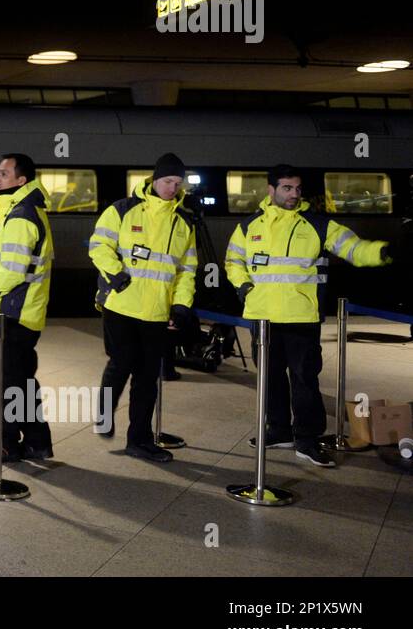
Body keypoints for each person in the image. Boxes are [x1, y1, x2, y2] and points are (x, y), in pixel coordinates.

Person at [225, 164, 395, 467]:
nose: (294, 194)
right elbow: (233, 261)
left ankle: (307, 439)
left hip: (301, 318)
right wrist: (243, 286)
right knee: (270, 379)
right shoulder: (249, 227)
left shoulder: (317, 224)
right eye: (287, 188)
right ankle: (278, 431)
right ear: (271, 190)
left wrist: (379, 252)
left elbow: (352, 248)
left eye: (298, 189)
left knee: (305, 380)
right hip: (262, 318)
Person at [88, 153, 198, 462]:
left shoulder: (183, 223)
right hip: (120, 304)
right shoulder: (123, 210)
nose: (171, 189)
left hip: (156, 312)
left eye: (177, 183)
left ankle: (139, 440)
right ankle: (104, 411)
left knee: (148, 378)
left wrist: (180, 306)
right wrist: (116, 273)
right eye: (167, 182)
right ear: (154, 179)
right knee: (121, 362)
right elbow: (98, 245)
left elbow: (186, 271)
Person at [0, 153, 55, 465]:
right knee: (22, 381)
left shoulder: (20, 216)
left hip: (11, 310)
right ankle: (37, 442)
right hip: (25, 311)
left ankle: (5, 445)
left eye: (4, 174)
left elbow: (12, 269)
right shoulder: (28, 210)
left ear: (22, 180)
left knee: (5, 382)